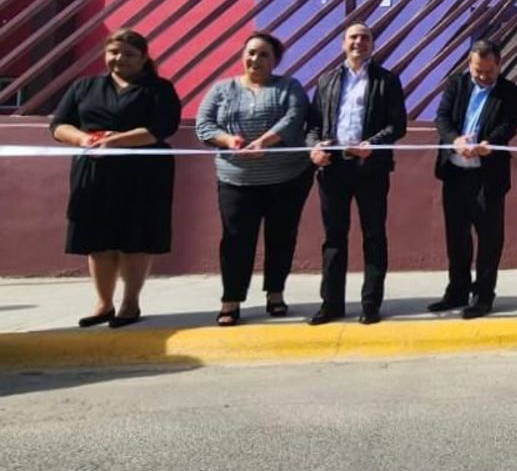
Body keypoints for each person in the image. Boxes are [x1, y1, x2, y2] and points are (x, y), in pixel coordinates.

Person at [50, 28, 181, 329]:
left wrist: (115, 141)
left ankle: (130, 302)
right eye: (114, 52)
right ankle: (103, 303)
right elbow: (58, 125)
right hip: (94, 173)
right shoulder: (84, 86)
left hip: (144, 174)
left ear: (143, 58)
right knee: (97, 240)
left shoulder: (159, 89)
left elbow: (162, 128)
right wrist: (84, 139)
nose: (120, 58)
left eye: (129, 54)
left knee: (135, 240)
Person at [196, 32, 314, 326]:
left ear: (275, 60)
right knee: (236, 240)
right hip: (236, 180)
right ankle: (231, 300)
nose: (255, 59)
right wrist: (228, 140)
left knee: (281, 237)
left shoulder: (289, 87)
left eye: (263, 55)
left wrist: (264, 142)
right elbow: (204, 125)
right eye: (251, 53)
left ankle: (275, 293)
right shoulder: (221, 89)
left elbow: (294, 118)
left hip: (286, 178)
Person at [304, 21, 407, 326]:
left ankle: (371, 303)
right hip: (333, 168)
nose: (358, 42)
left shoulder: (387, 80)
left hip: (370, 168)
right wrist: (314, 148)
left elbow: (397, 125)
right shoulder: (327, 80)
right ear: (343, 43)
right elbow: (313, 125)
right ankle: (331, 304)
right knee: (334, 238)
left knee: (374, 235)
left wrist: (373, 144)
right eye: (353, 37)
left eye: (365, 38)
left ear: (372, 44)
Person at [430, 39, 517, 319]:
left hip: (487, 175)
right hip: (455, 172)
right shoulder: (456, 84)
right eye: (477, 71)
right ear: (469, 65)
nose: (482, 76)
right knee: (456, 235)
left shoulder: (510, 91)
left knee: (489, 238)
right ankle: (457, 290)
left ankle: (483, 295)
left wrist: (488, 143)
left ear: (499, 64)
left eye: (488, 71)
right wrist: (455, 140)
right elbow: (442, 118)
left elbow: (508, 125)